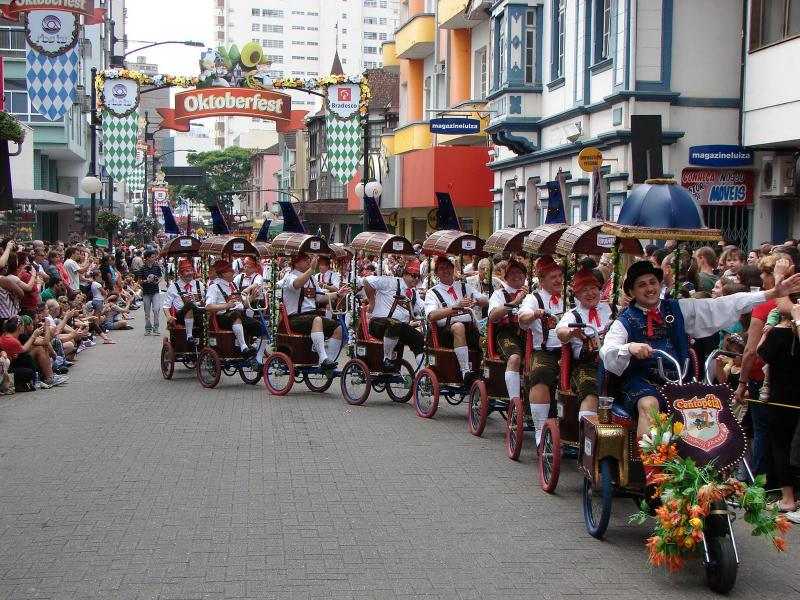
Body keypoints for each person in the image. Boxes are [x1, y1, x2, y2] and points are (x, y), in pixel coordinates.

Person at [599, 260, 800, 440]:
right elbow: (608, 350)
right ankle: (653, 470)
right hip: (642, 382)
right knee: (649, 405)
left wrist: (771, 294)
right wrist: (629, 347)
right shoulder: (625, 320)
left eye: (652, 282)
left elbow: (722, 305)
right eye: (642, 285)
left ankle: (702, 468)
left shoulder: (679, 308)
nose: (649, 288)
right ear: (632, 292)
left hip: (680, 380)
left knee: (707, 409)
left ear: (659, 284)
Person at [757, 303, 800, 521]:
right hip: (792, 398)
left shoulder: (777, 332)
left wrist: (768, 327)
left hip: (781, 397)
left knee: (781, 446)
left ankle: (788, 497)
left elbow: (761, 352)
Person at [556, 267, 613, 423]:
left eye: (593, 288)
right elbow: (560, 331)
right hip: (586, 366)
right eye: (585, 290)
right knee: (592, 394)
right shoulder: (572, 315)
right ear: (577, 295)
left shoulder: (609, 309)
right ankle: (587, 440)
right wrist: (570, 332)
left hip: (612, 364)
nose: (590, 293)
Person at [518, 256, 565, 444]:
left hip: (571, 350)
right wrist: (534, 314)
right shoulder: (534, 298)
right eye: (553, 277)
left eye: (560, 276)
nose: (558, 280)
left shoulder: (569, 297)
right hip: (545, 351)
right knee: (540, 373)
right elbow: (523, 318)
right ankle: (540, 430)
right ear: (542, 280)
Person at [424, 256, 488, 385]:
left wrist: (476, 301)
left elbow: (485, 300)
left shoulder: (464, 286)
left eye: (448, 267)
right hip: (446, 332)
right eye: (441, 269)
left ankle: (483, 371)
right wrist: (455, 307)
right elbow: (431, 316)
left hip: (470, 329)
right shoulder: (432, 292)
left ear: (453, 269)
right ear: (436, 273)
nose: (446, 271)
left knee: (486, 340)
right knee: (458, 326)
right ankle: (465, 371)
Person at [278, 253, 343, 369]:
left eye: (309, 259)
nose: (309, 261)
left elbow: (320, 297)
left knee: (338, 328)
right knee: (317, 320)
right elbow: (297, 284)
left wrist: (337, 294)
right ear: (296, 262)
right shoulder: (289, 277)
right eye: (305, 259)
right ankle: (323, 359)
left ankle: (330, 362)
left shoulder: (312, 278)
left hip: (311, 317)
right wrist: (312, 269)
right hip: (295, 317)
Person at [363, 258, 425, 371]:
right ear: (405, 274)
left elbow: (423, 308)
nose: (415, 279)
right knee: (394, 323)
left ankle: (423, 374)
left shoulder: (414, 293)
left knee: (419, 338)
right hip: (378, 324)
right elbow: (367, 281)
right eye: (413, 275)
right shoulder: (390, 281)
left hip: (400, 328)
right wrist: (372, 301)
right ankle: (387, 357)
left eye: (418, 276)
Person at [487, 260, 529, 401]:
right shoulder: (499, 294)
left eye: (519, 272)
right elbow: (492, 316)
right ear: (506, 277)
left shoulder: (533, 295)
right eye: (512, 273)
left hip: (529, 334)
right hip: (506, 333)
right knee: (515, 358)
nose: (516, 275)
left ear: (525, 276)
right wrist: (514, 303)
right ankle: (514, 401)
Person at [205, 259, 262, 357]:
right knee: (235, 315)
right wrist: (226, 305)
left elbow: (244, 305)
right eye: (229, 271)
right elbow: (208, 306)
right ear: (222, 274)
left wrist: (252, 297)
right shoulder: (214, 287)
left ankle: (254, 349)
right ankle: (243, 347)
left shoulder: (233, 285)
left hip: (236, 315)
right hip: (221, 317)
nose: (233, 272)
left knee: (256, 324)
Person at [164, 259, 204, 345]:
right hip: (180, 316)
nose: (190, 273)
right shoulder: (173, 287)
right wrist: (168, 317)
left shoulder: (199, 285)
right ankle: (189, 336)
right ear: (180, 273)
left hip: (198, 314)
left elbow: (204, 301)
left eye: (191, 271)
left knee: (200, 309)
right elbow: (166, 306)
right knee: (189, 305)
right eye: (186, 271)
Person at [134, 249, 163, 336]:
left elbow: (160, 277)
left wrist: (157, 281)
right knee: (147, 312)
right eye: (152, 257)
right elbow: (139, 281)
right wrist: (146, 281)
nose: (154, 258)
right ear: (147, 258)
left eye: (154, 257)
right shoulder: (142, 269)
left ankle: (156, 328)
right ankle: (148, 328)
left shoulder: (156, 267)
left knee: (156, 309)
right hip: (146, 292)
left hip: (155, 291)